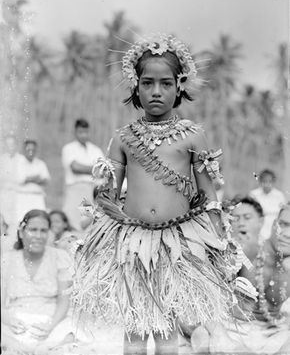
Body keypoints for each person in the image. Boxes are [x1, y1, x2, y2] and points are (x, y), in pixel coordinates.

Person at [72, 34, 255, 355]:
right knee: (135, 331)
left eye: (166, 83)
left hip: (178, 245)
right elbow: (107, 197)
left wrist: (220, 245)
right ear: (136, 87)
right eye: (148, 83)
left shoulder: (192, 135)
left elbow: (208, 197)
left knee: (168, 330)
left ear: (179, 87)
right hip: (131, 243)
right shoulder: (124, 138)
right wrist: (102, 191)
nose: (156, 91)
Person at [202, 201, 290, 354]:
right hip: (231, 330)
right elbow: (204, 297)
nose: (287, 233)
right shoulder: (244, 250)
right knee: (202, 336)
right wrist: (221, 336)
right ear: (274, 223)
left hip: (272, 334)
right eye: (284, 224)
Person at [1, 209, 74, 355]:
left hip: (51, 321)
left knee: (70, 333)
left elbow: (64, 301)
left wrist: (50, 325)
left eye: (43, 230)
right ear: (21, 233)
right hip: (15, 321)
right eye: (33, 230)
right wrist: (8, 320)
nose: (38, 236)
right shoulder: (6, 259)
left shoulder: (60, 257)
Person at [61, 118, 104, 230]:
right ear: (75, 132)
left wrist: (86, 168)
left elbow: (103, 170)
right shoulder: (69, 148)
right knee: (71, 220)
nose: (84, 135)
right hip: (75, 189)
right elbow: (75, 168)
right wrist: (94, 169)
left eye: (86, 132)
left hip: (91, 190)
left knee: (87, 222)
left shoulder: (95, 149)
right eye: (80, 132)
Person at [16, 140, 50, 224]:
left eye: (33, 150)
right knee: (21, 221)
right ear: (24, 150)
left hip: (38, 197)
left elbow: (45, 180)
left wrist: (29, 178)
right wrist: (36, 178)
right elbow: (21, 179)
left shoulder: (40, 163)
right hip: (23, 197)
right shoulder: (18, 163)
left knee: (40, 220)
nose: (30, 152)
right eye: (28, 149)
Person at [250, 169, 286, 241]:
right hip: (259, 228)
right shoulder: (253, 194)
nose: (267, 184)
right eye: (264, 181)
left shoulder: (279, 196)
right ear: (260, 182)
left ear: (273, 182)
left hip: (275, 228)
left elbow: (283, 214)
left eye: (270, 182)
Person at [0, 134, 23, 232]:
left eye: (12, 144)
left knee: (16, 218)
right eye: (8, 145)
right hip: (4, 192)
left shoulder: (22, 159)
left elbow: (22, 177)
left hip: (18, 192)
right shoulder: (2, 159)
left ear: (16, 145)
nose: (10, 147)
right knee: (4, 216)